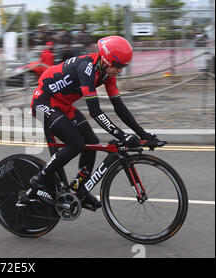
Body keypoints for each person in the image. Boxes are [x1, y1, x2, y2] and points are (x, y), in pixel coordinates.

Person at [24, 36, 158, 211]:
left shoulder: (106, 71)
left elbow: (119, 107)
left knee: (92, 143)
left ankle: (79, 188)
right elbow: (95, 112)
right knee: (76, 144)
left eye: (123, 67)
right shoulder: (86, 69)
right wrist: (122, 135)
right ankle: (39, 179)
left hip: (63, 104)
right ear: (106, 59)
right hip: (44, 102)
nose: (119, 70)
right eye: (117, 65)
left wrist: (143, 134)